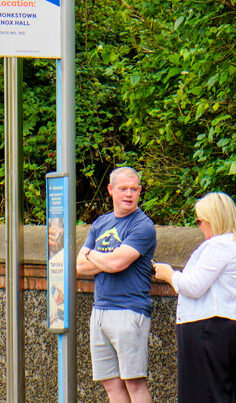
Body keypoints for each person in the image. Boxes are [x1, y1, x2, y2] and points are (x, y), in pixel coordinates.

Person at [152, 192, 236, 403]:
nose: (198, 226)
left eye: (199, 220)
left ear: (213, 220)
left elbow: (193, 285)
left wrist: (170, 275)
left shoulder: (219, 247)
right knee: (220, 392)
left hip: (208, 327)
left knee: (203, 394)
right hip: (223, 326)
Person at [77, 166, 157, 403]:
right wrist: (105, 259)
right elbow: (79, 267)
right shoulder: (101, 223)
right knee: (111, 385)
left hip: (130, 311)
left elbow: (117, 264)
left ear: (140, 191)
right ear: (111, 190)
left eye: (134, 189)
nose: (129, 194)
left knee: (134, 383)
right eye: (123, 189)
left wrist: (92, 254)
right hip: (100, 311)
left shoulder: (142, 226)